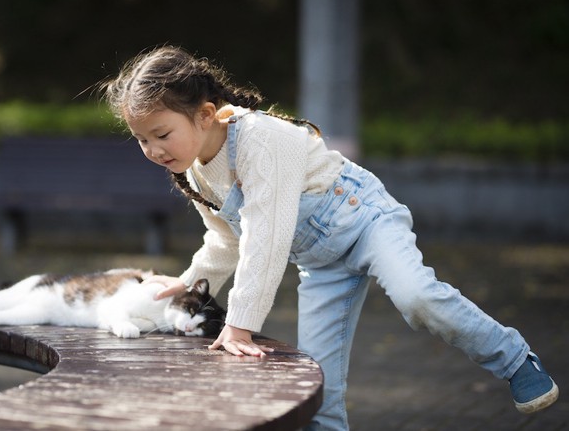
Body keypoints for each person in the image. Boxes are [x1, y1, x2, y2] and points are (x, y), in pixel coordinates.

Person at [101, 45, 559, 430]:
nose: (153, 150)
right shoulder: (197, 173)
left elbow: (267, 235)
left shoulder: (259, 139)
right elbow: (226, 239)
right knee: (316, 387)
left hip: (365, 222)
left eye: (161, 134)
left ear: (203, 115)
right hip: (320, 263)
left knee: (416, 295)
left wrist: (239, 321)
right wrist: (191, 280)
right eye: (141, 140)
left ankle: (515, 359)